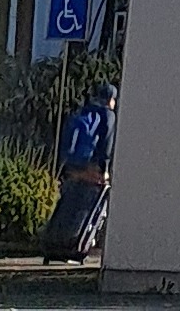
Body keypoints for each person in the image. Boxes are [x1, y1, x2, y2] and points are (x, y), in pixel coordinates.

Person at [40, 87, 110, 267]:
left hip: (73, 167)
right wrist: (104, 169)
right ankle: (74, 245)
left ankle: (54, 244)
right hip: (91, 168)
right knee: (84, 208)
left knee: (68, 205)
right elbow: (106, 144)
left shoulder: (84, 112)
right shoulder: (107, 115)